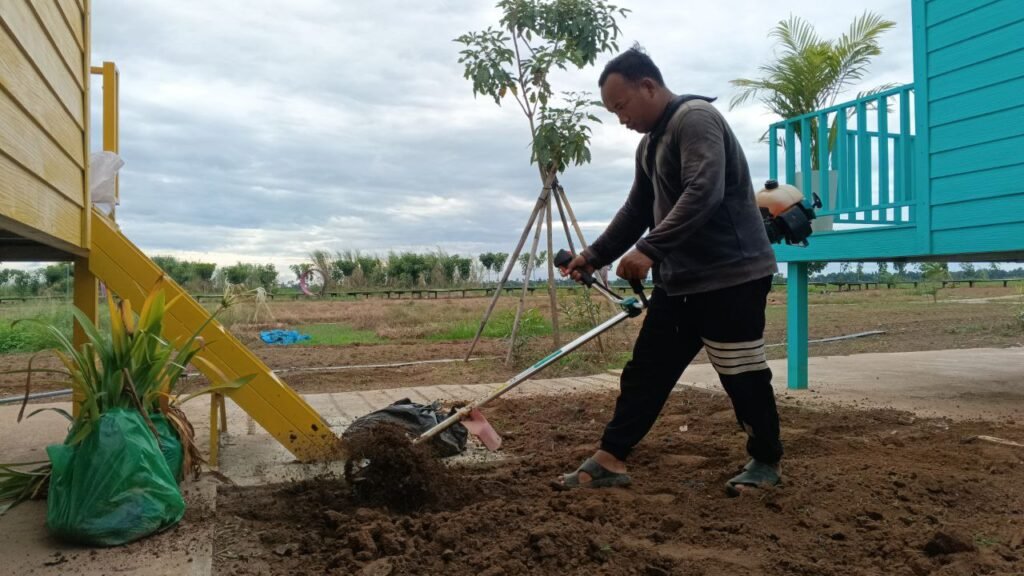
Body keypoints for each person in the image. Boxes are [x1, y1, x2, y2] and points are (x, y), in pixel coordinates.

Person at [559, 46, 783, 495]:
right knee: (646, 371)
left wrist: (649, 249)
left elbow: (705, 190)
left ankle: (765, 460)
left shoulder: (694, 119)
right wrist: (595, 255)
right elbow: (637, 209)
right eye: (613, 112)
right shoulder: (650, 145)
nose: (621, 119)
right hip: (681, 283)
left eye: (621, 106)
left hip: (730, 277)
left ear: (648, 86)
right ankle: (610, 458)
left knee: (741, 374)